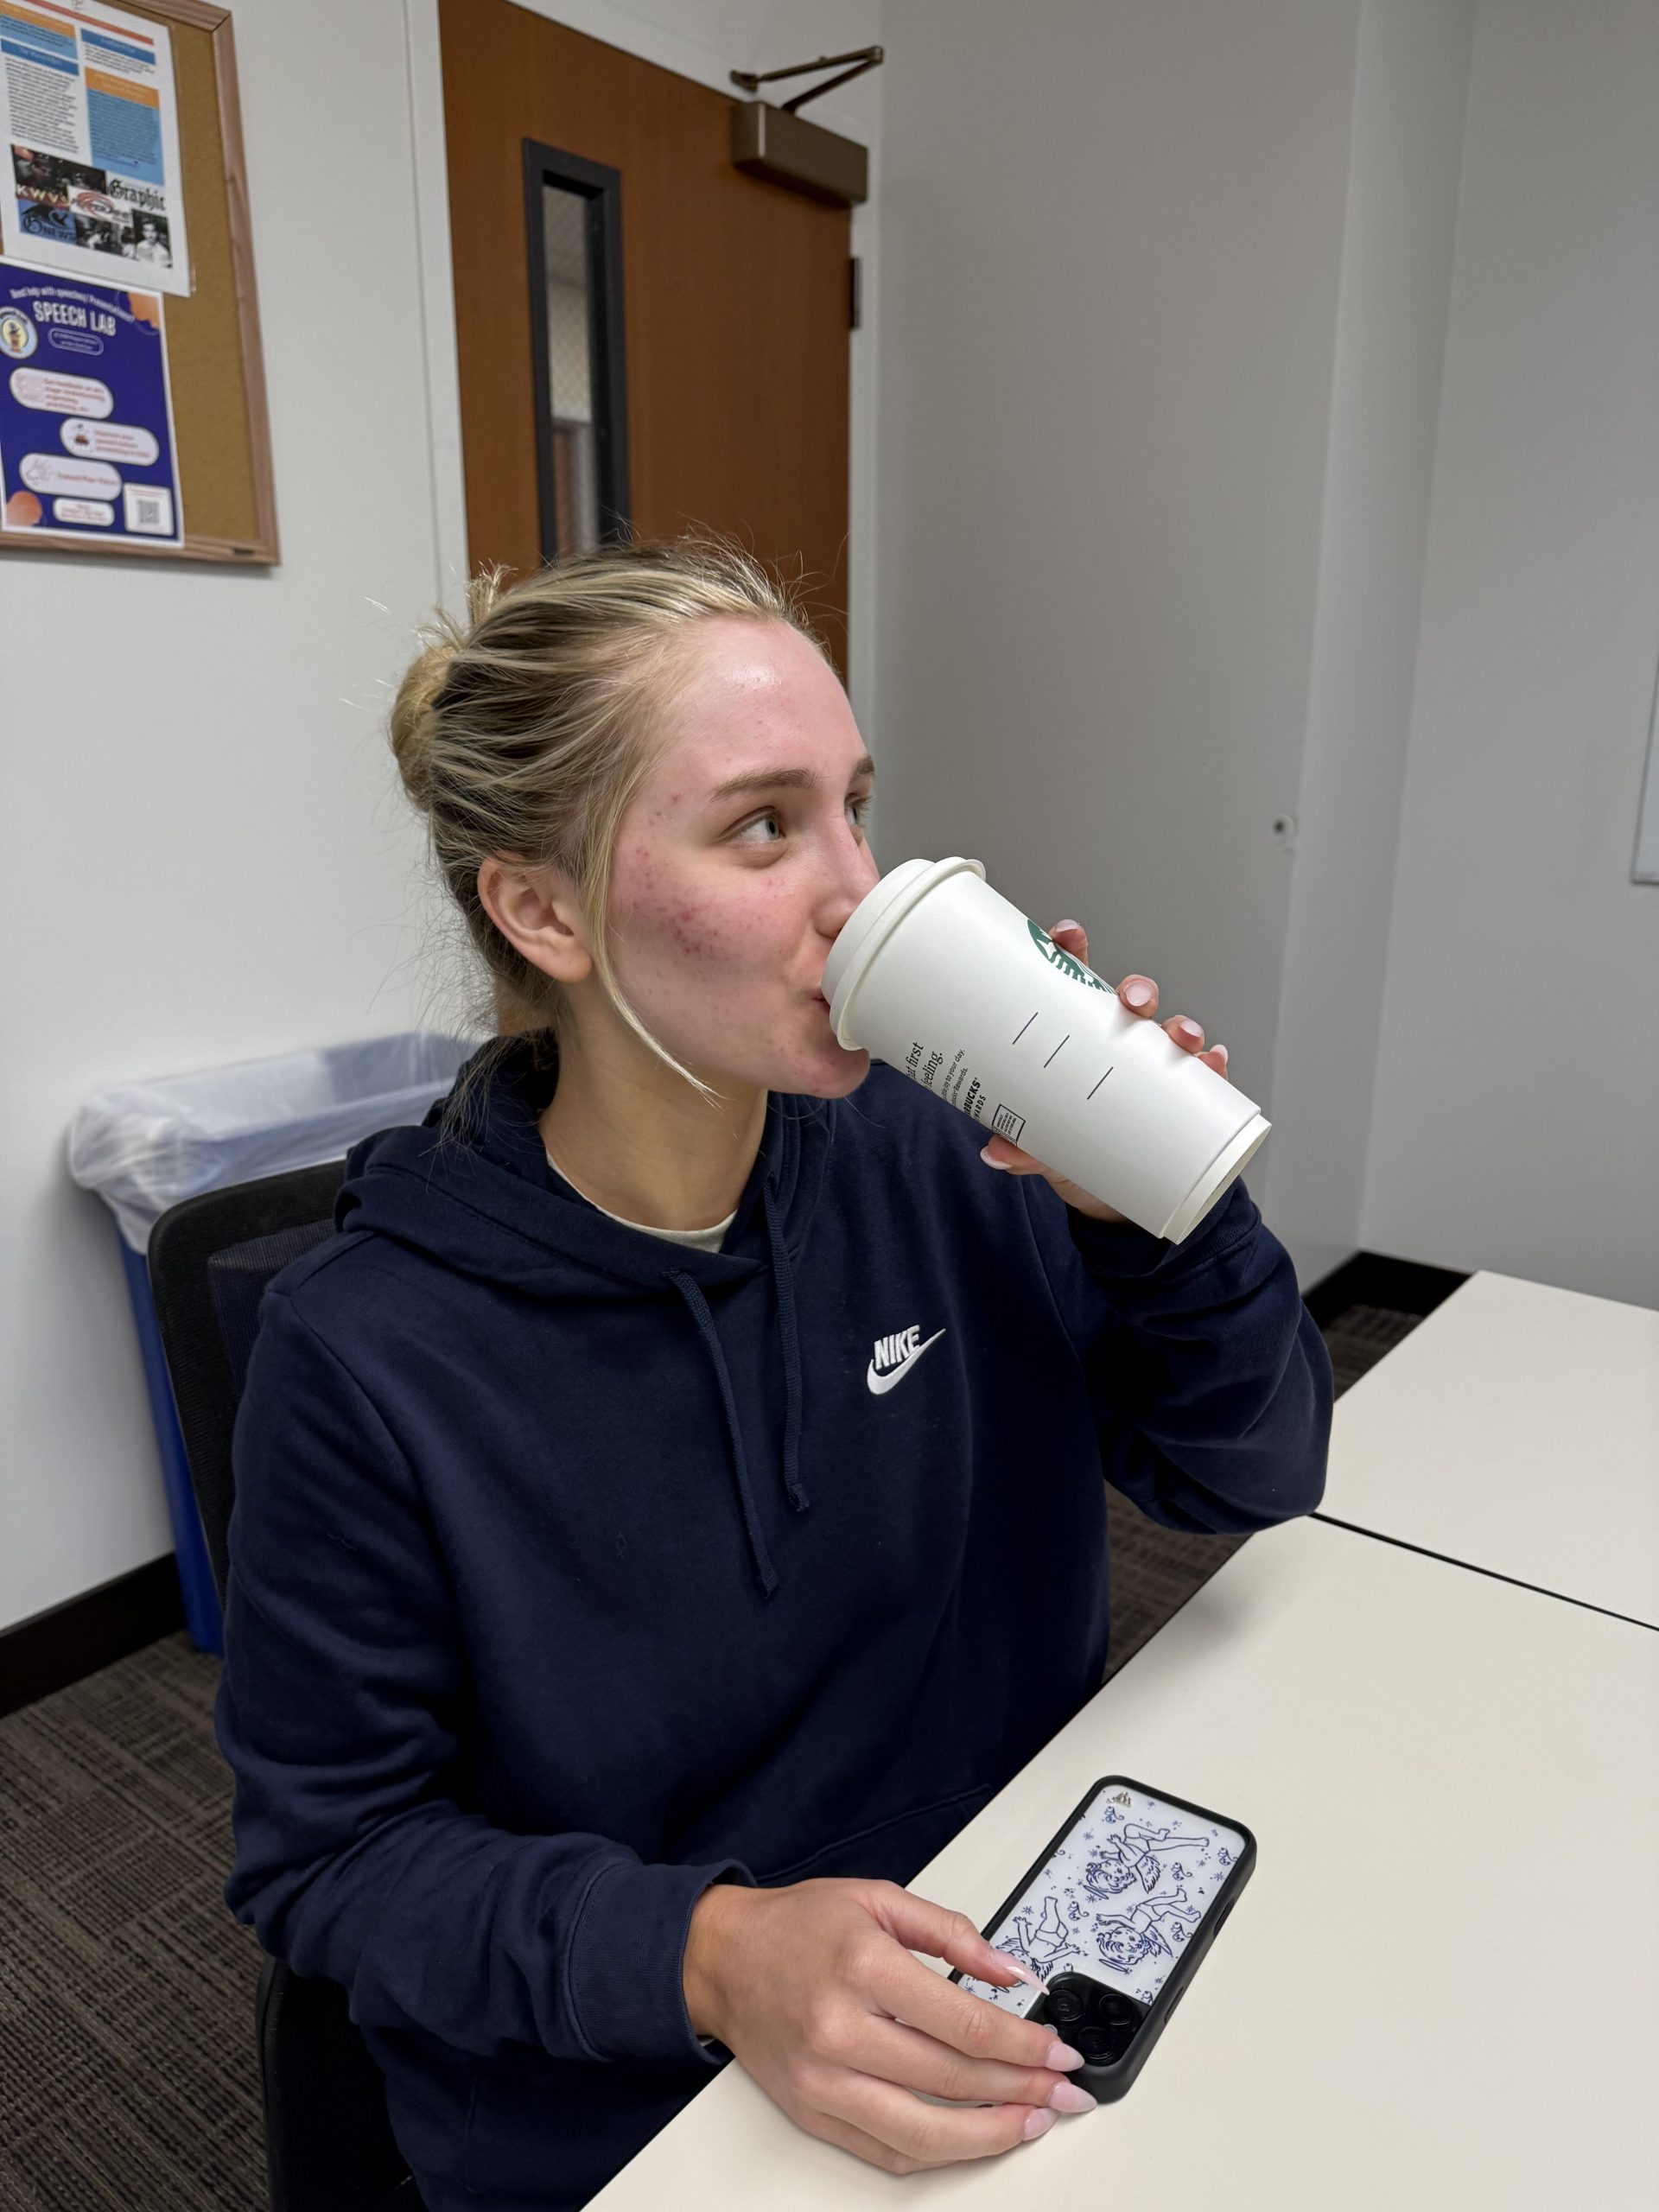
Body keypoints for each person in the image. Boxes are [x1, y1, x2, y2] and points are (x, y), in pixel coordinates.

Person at [215, 537, 1332, 2211]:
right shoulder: (369, 1349)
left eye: (855, 808)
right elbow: (333, 1859)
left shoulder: (948, 1150)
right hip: (644, 2063)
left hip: (996, 1948)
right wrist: (715, 1948)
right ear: (541, 907)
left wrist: (1154, 1210)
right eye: (763, 824)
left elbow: (1244, 1473)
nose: (861, 890)